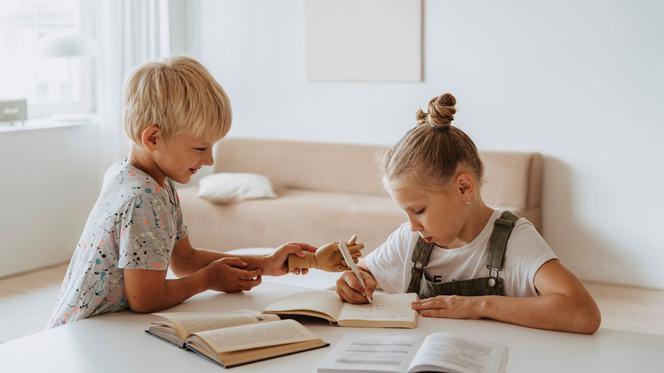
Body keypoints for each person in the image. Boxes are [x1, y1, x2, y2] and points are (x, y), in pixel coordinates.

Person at [47, 56, 361, 328]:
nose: (209, 160)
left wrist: (265, 263)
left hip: (96, 326)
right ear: (153, 138)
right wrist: (207, 280)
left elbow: (184, 259)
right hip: (88, 334)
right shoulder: (143, 199)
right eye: (200, 147)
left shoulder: (136, 176)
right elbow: (144, 298)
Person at [335, 92, 601, 334]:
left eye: (419, 210)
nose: (413, 225)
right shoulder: (410, 239)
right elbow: (365, 271)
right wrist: (356, 281)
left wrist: (479, 306)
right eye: (406, 213)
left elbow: (584, 313)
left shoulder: (514, 240)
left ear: (464, 188)